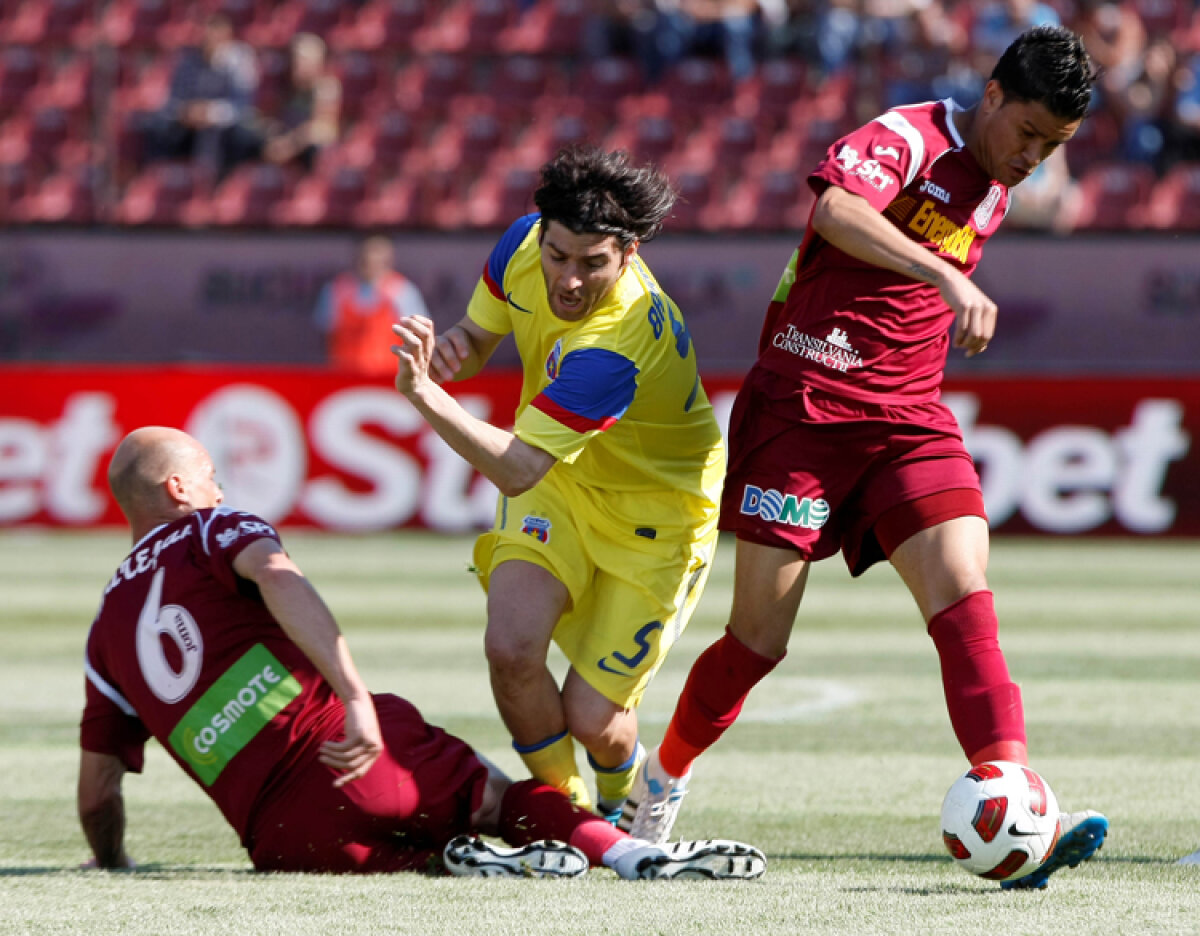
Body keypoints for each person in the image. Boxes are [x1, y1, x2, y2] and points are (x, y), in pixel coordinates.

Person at [625, 25, 1110, 891]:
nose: (1034, 157)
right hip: (805, 408)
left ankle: (1015, 797)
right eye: (1029, 133)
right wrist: (949, 278)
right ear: (993, 96)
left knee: (965, 594)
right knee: (757, 643)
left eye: (1055, 146)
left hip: (908, 421)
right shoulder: (909, 136)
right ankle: (660, 784)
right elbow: (833, 210)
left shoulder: (998, 184)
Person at [78, 426, 765, 880]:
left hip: (285, 840)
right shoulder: (215, 528)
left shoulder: (105, 628)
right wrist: (352, 698)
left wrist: (111, 860)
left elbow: (97, 792)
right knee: (501, 800)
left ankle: (460, 863)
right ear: (177, 489)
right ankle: (629, 853)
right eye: (209, 476)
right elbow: (280, 578)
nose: (219, 489)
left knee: (423, 864)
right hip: (367, 761)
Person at [389, 146, 725, 823]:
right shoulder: (521, 241)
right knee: (509, 649)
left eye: (592, 264)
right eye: (559, 257)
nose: (569, 281)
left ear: (627, 256)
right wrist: (461, 344)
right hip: (560, 485)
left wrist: (425, 395)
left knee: (594, 719)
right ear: (541, 237)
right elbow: (483, 335)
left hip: (658, 516)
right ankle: (568, 817)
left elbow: (516, 467)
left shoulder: (618, 341)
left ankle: (623, 797)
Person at [143, 13, 260, 180]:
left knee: (242, 136)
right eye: (205, 36)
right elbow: (174, 100)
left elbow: (243, 106)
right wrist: (187, 112)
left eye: (215, 36)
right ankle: (160, 184)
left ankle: (228, 186)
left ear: (226, 36)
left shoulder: (241, 59)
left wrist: (210, 113)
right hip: (190, 125)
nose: (209, 41)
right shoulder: (187, 60)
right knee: (158, 128)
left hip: (226, 127)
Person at [314, 235, 430, 378]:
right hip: (344, 377)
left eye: (378, 256)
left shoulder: (403, 291)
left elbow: (419, 338)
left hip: (390, 379)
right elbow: (325, 335)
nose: (372, 260)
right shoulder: (336, 290)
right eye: (367, 256)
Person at [257, 32, 341, 172]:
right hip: (285, 141)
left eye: (303, 60)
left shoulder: (326, 88)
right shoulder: (286, 86)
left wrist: (290, 145)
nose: (299, 65)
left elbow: (323, 128)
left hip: (306, 150)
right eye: (296, 60)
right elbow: (269, 117)